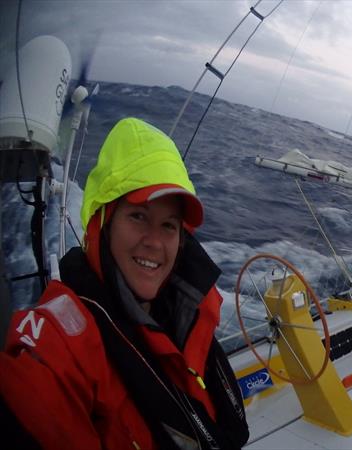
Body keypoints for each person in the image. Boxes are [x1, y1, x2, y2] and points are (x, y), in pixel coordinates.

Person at [0, 118, 249, 449]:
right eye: (138, 216)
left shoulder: (186, 314)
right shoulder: (60, 343)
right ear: (103, 223)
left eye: (169, 226)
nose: (155, 242)